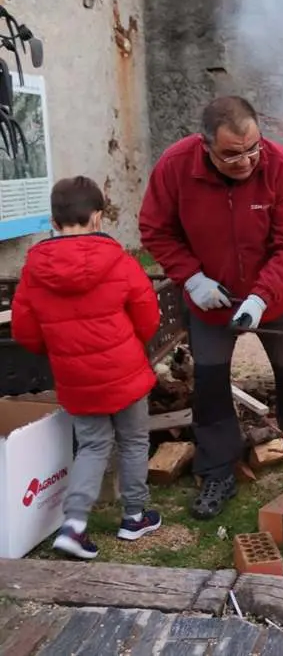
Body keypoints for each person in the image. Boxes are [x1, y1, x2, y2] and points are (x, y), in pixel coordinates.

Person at [138, 95, 283, 520]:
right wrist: (192, 279)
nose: (247, 160)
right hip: (210, 300)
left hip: (277, 298)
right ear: (206, 146)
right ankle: (217, 471)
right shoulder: (175, 167)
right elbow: (155, 229)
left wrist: (261, 296)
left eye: (253, 148)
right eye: (232, 154)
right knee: (212, 386)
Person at [11, 176, 162, 559]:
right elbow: (147, 317)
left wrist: (61, 346)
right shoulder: (121, 261)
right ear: (97, 217)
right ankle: (134, 516)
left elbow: (26, 333)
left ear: (54, 220)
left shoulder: (34, 269)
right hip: (126, 372)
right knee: (133, 440)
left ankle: (75, 525)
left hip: (76, 379)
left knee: (92, 445)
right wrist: (131, 344)